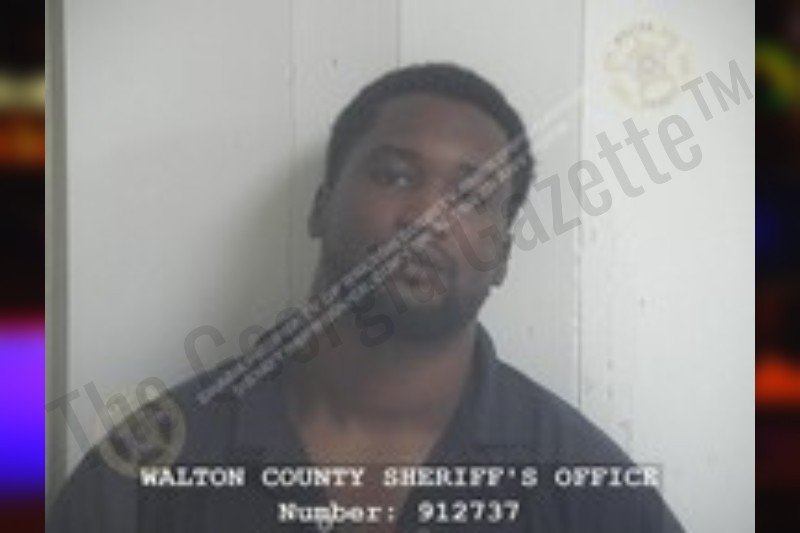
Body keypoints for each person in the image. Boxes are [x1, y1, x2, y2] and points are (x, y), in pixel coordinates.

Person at [47, 63, 684, 532]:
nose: (428, 217)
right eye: (395, 175)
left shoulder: (590, 491)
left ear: (502, 259)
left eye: (471, 198)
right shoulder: (149, 470)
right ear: (321, 207)